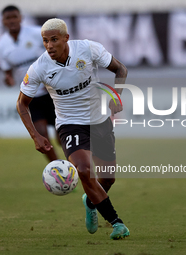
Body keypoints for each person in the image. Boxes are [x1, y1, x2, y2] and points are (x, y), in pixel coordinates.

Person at [16, 18, 130, 240]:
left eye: (54, 40)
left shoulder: (88, 49)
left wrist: (117, 96)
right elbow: (21, 104)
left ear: (66, 38)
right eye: (45, 41)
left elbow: (121, 69)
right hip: (69, 124)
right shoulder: (39, 67)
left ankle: (90, 201)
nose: (49, 45)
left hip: (99, 121)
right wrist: (35, 136)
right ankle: (117, 223)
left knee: (108, 179)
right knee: (85, 171)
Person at [0, 5, 59, 162]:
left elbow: (58, 53)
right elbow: (8, 71)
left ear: (21, 18)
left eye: (14, 17)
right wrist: (8, 79)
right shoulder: (1, 46)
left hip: (53, 93)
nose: (12, 21)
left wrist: (52, 78)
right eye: (8, 18)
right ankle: (59, 173)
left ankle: (77, 168)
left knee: (62, 137)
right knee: (42, 137)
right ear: (3, 21)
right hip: (32, 97)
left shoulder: (38, 34)